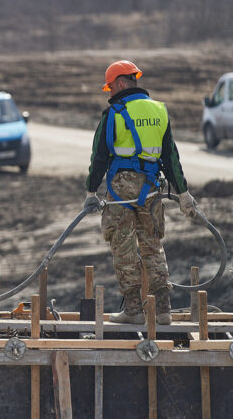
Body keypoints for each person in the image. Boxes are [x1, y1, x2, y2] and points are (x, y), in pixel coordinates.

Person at [85, 60, 199, 325]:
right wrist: (183, 193)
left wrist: (91, 191)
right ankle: (162, 311)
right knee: (153, 247)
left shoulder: (113, 113)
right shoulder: (159, 110)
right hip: (151, 189)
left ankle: (134, 311)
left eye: (110, 88)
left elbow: (99, 157)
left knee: (123, 247)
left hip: (121, 188)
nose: (109, 93)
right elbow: (171, 158)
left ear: (121, 84)